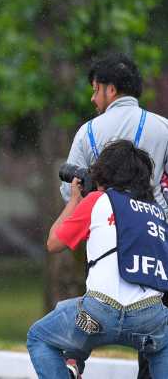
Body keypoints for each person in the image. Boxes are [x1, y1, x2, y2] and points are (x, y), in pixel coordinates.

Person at [59, 50, 168, 379]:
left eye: (95, 89)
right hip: (155, 239)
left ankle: (74, 358)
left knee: (97, 300)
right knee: (157, 326)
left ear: (111, 89)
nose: (93, 98)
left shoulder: (88, 132)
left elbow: (71, 193)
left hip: (107, 240)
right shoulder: (164, 127)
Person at [28, 139, 168, 379]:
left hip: (97, 314)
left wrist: (75, 200)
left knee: (38, 336)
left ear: (107, 172)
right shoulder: (157, 213)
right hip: (149, 317)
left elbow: (54, 243)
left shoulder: (96, 201)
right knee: (162, 347)